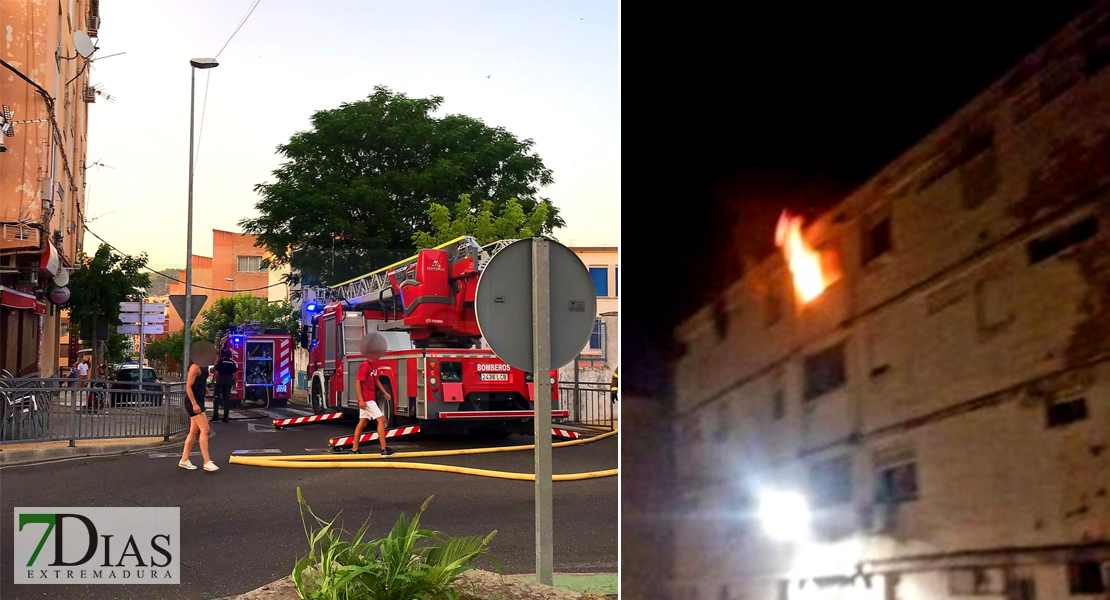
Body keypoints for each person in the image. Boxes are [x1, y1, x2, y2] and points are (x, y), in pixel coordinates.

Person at [349, 333, 395, 456]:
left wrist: (385, 393)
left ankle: (354, 449)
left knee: (362, 423)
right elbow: (358, 383)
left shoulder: (374, 365)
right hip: (367, 399)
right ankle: (383, 449)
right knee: (381, 419)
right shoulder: (365, 366)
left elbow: (376, 380)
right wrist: (361, 400)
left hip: (370, 398)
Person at [179, 341, 219, 472]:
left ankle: (184, 460)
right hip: (192, 403)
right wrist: (195, 404)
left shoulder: (203, 368)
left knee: (193, 431)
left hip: (198, 401)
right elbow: (188, 387)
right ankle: (207, 461)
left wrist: (208, 394)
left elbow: (200, 384)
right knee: (205, 429)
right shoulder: (195, 367)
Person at [211, 349, 237, 423]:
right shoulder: (232, 363)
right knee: (226, 400)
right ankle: (226, 417)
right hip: (228, 382)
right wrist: (234, 383)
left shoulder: (221, 362)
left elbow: (216, 372)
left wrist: (213, 382)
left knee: (216, 399)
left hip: (220, 382)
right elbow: (235, 374)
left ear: (223, 355)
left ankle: (216, 416)